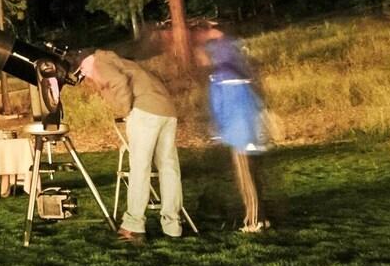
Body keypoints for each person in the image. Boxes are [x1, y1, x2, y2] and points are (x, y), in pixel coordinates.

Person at [75, 48, 183, 244]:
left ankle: (134, 226)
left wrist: (127, 111)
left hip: (145, 111)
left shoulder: (99, 62)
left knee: (140, 168)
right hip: (167, 111)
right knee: (168, 168)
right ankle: (172, 226)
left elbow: (118, 82)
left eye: (84, 72)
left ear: (86, 63)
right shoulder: (122, 62)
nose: (87, 76)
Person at [197, 21, 269, 232]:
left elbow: (219, 107)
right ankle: (261, 217)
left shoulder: (219, 76)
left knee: (245, 177)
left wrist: (219, 131)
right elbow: (256, 102)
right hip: (250, 129)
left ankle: (253, 221)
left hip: (238, 133)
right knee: (253, 175)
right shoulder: (241, 73)